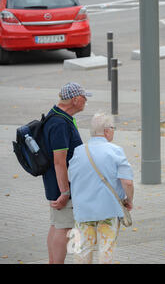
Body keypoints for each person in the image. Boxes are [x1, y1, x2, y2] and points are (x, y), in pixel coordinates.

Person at [68, 112, 134, 264]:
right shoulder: (115, 150)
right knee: (106, 249)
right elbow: (127, 182)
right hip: (109, 210)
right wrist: (128, 200)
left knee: (83, 249)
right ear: (106, 131)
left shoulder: (78, 151)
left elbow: (71, 177)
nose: (113, 131)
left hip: (83, 210)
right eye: (113, 128)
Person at [42, 82, 90, 264]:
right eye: (84, 98)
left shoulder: (57, 116)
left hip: (55, 182)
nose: (86, 101)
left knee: (56, 225)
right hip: (62, 185)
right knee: (64, 227)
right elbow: (59, 161)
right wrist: (65, 192)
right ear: (76, 99)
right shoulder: (59, 123)